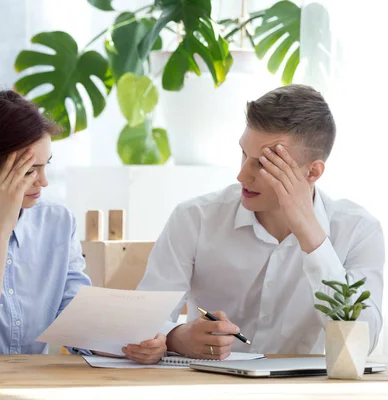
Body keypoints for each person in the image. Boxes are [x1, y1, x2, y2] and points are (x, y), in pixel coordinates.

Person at [0, 91, 166, 365]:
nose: (44, 181)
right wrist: (1, 227)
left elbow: (78, 322)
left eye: (45, 166)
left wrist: (134, 343)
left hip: (26, 383)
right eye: (29, 171)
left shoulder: (58, 222)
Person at [133, 84, 384, 361]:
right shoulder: (195, 218)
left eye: (264, 164)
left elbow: (363, 340)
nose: (242, 175)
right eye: (244, 154)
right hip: (207, 386)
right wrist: (176, 338)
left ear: (312, 172)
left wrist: (312, 238)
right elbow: (141, 325)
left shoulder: (358, 230)